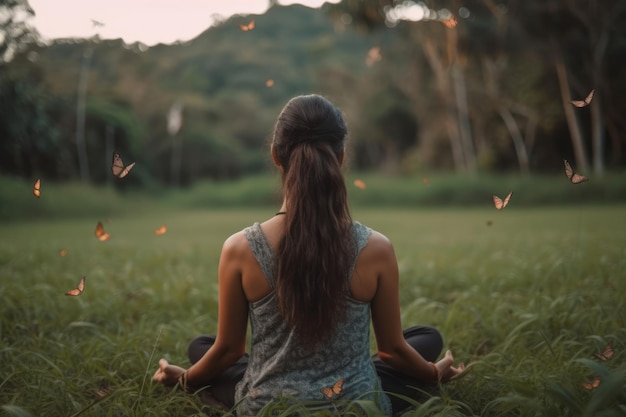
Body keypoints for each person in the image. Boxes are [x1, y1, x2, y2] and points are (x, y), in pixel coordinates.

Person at [153, 94, 464, 416]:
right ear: (341, 157)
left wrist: (187, 379)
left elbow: (229, 351)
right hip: (355, 404)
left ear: (276, 155)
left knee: (203, 348)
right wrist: (433, 374)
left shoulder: (240, 248)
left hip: (267, 406)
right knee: (425, 339)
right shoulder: (376, 247)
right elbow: (392, 351)